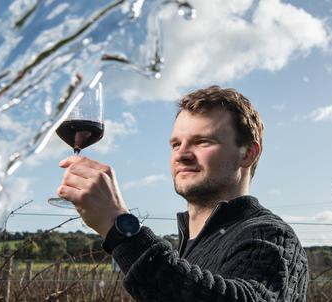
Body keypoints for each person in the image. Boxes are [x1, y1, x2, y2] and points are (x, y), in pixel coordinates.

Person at [56, 85, 308, 301]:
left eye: (202, 142)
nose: (182, 154)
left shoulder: (270, 236)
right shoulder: (187, 246)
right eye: (176, 144)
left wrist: (122, 230)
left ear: (248, 154)